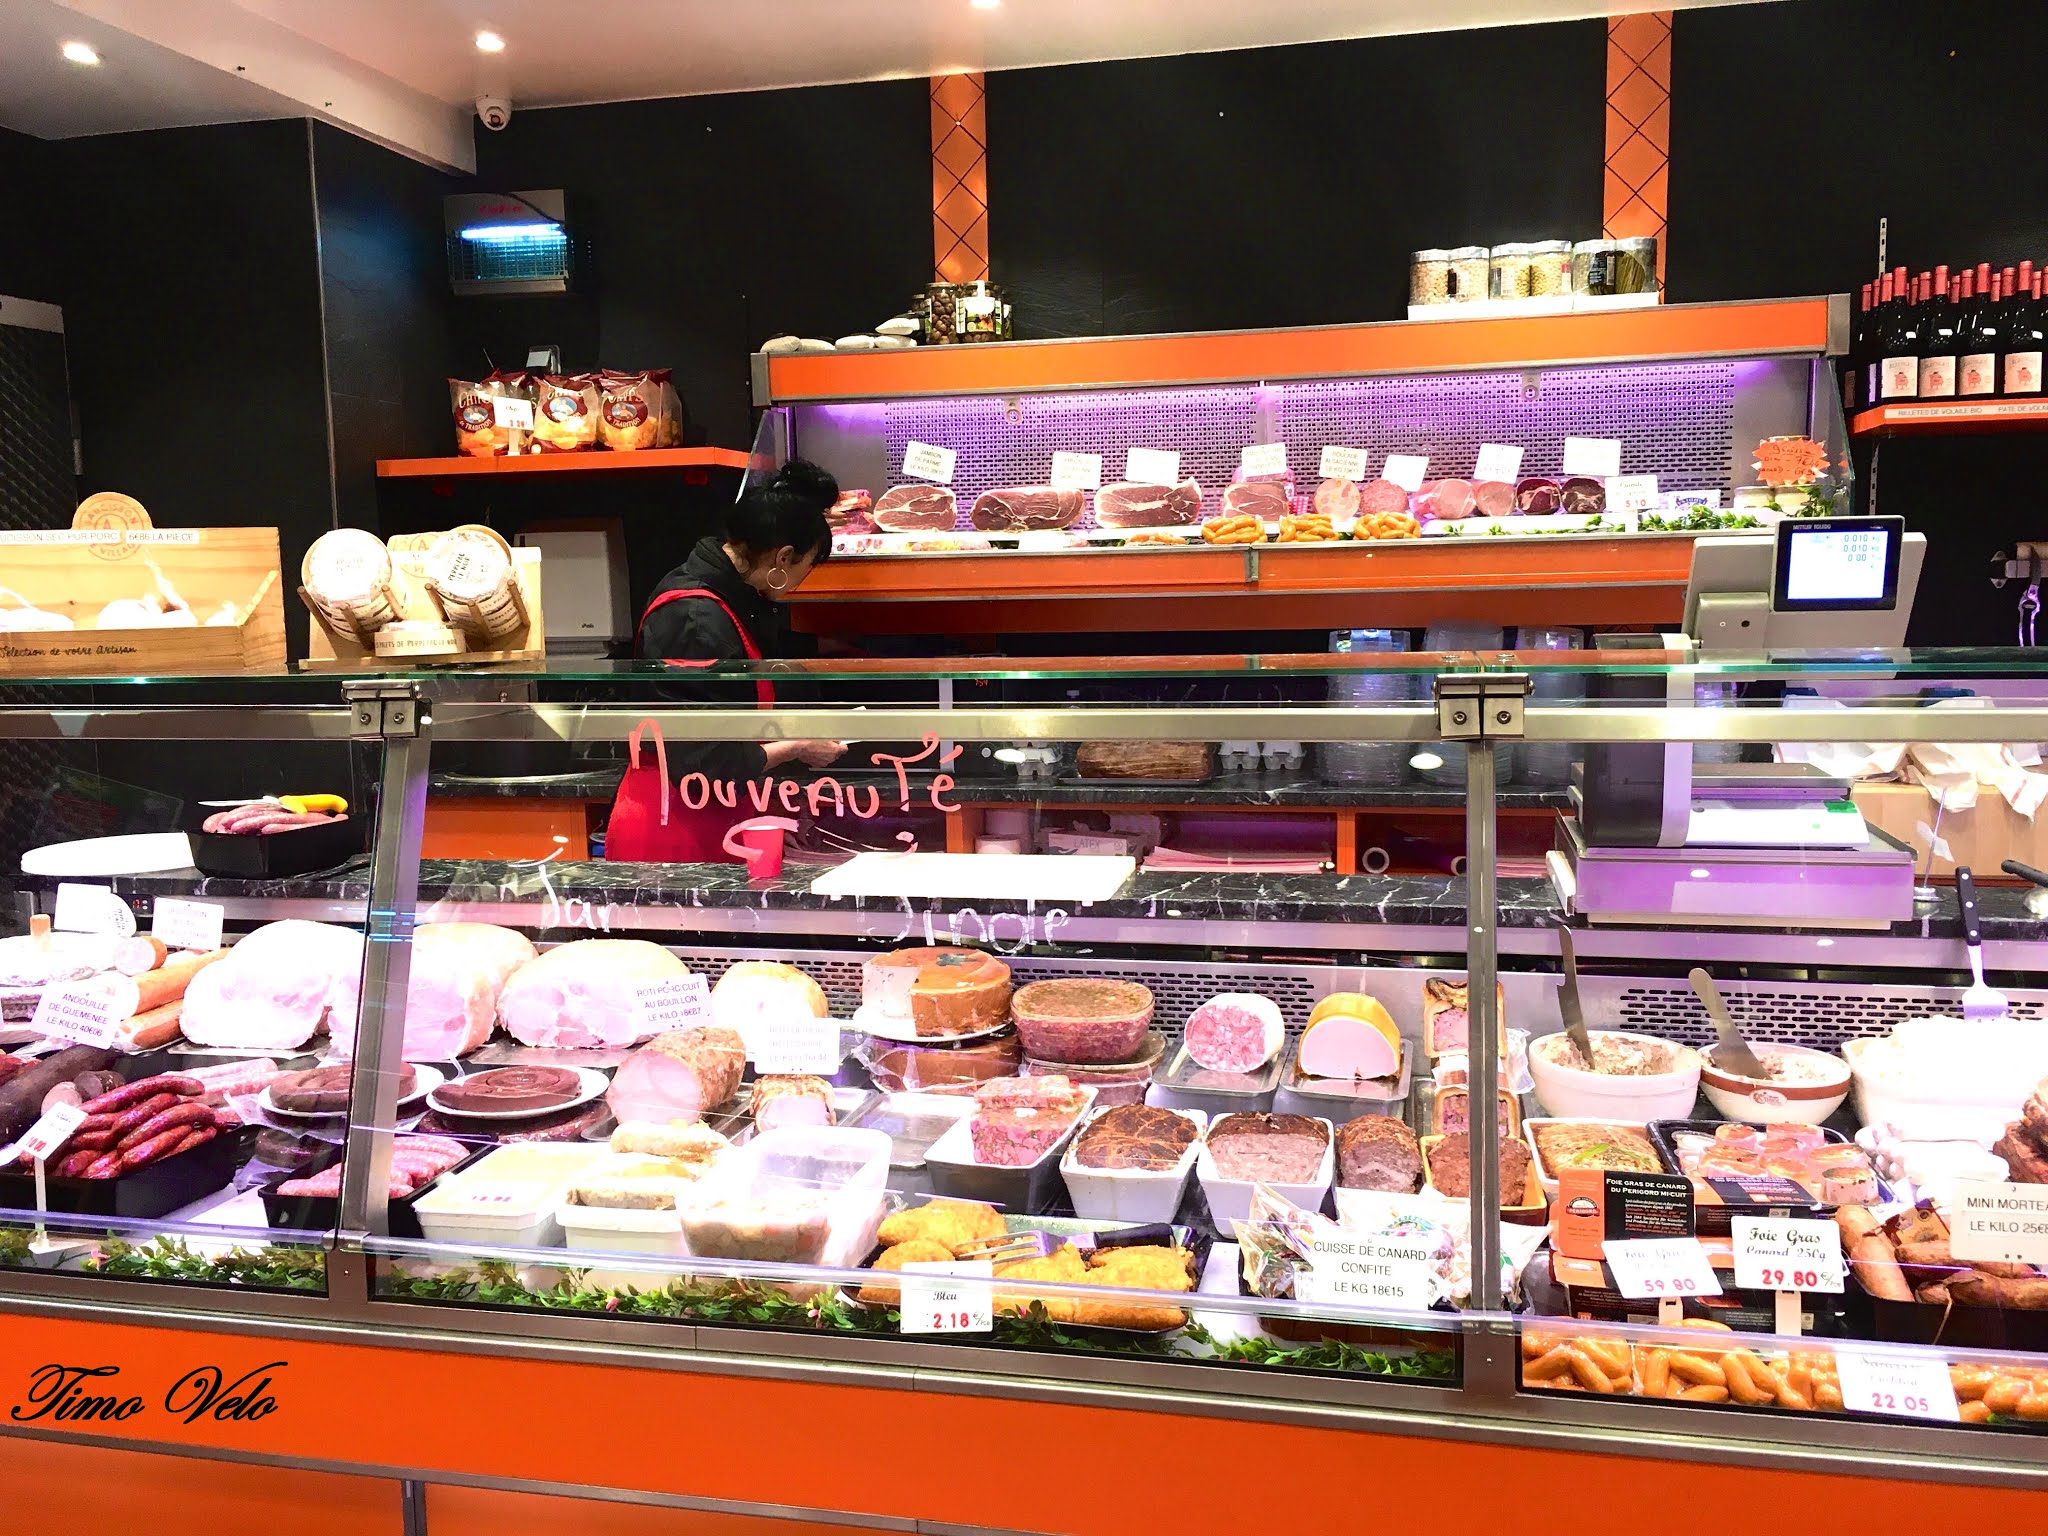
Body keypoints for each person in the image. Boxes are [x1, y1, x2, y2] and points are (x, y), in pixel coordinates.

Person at [605, 459, 849, 862]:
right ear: (783, 557)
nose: (799, 585)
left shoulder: (722, 599)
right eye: (805, 570)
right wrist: (797, 747)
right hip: (673, 831)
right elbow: (702, 763)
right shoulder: (696, 618)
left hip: (713, 815)